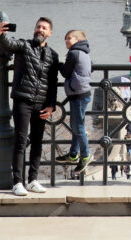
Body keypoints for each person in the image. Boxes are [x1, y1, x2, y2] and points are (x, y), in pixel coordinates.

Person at [0, 17, 59, 197]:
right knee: (21, 141)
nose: (40, 30)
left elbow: (52, 82)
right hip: (23, 100)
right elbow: (8, 43)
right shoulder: (24, 46)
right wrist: (0, 34)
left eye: (44, 28)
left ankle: (33, 180)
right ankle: (17, 182)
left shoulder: (53, 55)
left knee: (37, 142)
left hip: (42, 104)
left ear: (50, 33)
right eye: (38, 26)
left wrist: (51, 105)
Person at [55, 30, 93, 174]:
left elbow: (65, 72)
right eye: (65, 38)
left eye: (69, 38)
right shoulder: (85, 52)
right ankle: (73, 154)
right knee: (77, 125)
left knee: (78, 127)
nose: (66, 41)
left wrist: (58, 64)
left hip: (78, 94)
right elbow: (91, 66)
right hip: (82, 93)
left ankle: (85, 155)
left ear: (77, 40)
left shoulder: (73, 53)